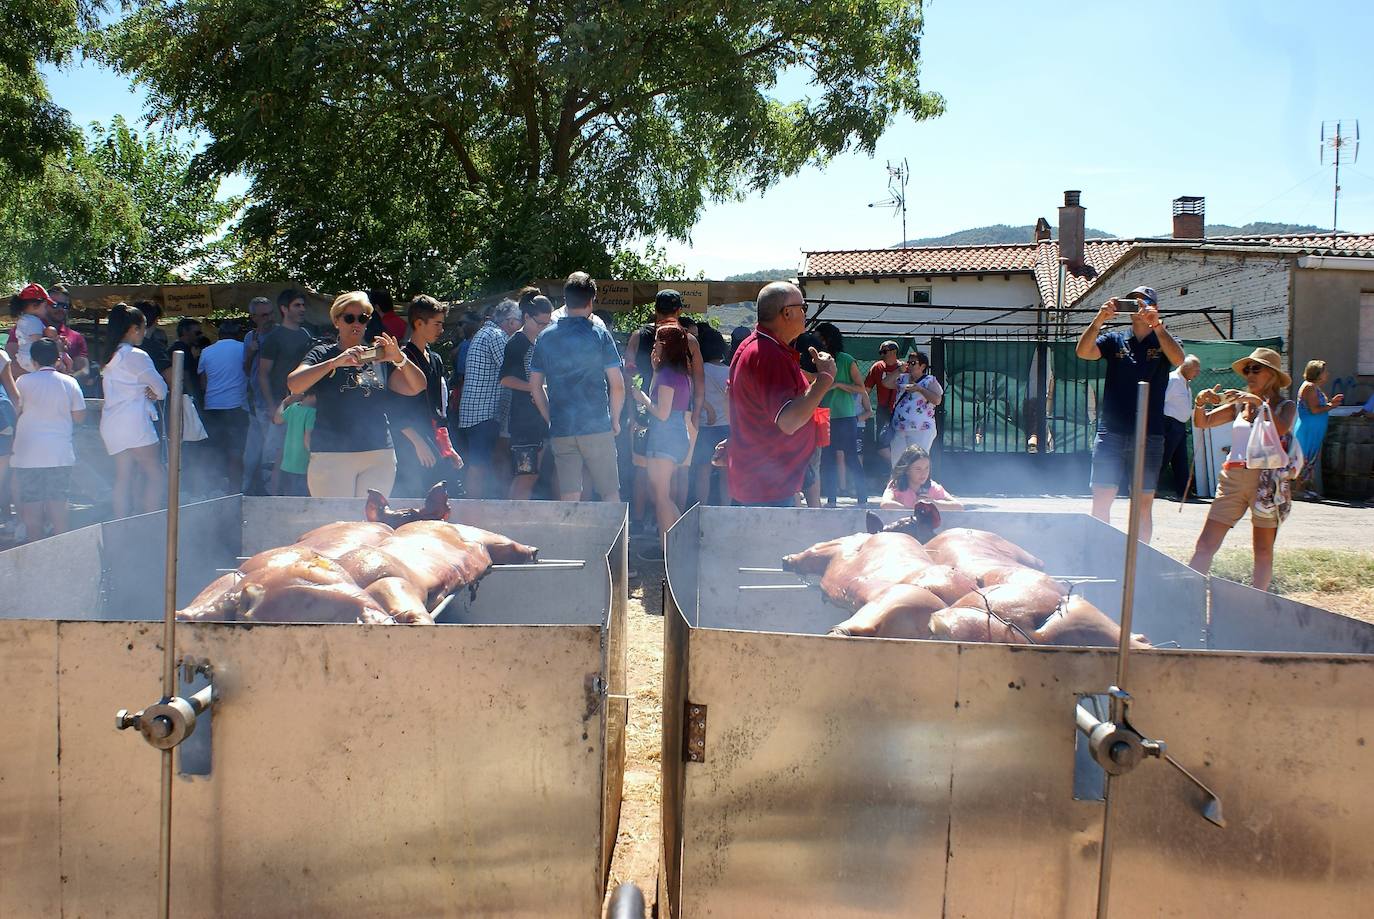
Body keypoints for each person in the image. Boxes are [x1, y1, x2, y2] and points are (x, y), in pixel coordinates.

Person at [286, 291, 426, 497]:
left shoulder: (378, 357)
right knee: (336, 526)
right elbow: (294, 384)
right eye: (349, 318)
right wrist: (335, 362)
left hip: (379, 454)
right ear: (336, 321)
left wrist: (399, 358)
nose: (356, 323)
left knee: (370, 526)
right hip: (331, 454)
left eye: (362, 318)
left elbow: (418, 386)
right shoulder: (322, 353)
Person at [1074, 286, 1184, 544]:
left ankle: (1141, 561)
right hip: (1111, 431)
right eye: (1132, 301)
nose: (1137, 306)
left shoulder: (1164, 338)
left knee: (1142, 504)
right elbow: (1083, 352)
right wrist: (1099, 319)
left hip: (1150, 434)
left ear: (1154, 306)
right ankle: (1099, 555)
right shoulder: (1114, 339)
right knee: (1101, 499)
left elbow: (1179, 360)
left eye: (1143, 302)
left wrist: (1157, 326)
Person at [1187, 348, 1297, 592]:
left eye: (1256, 368)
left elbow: (1279, 430)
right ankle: (1185, 597)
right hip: (1233, 479)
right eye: (1247, 369)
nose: (1249, 374)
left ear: (1273, 375)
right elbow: (1202, 422)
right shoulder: (1240, 405)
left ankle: (1256, 607)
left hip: (1266, 482)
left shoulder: (1285, 405)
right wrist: (1199, 402)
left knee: (1262, 551)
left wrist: (1257, 402)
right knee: (1205, 544)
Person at [727, 281, 834, 506]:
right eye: (803, 308)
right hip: (769, 489)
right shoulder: (768, 354)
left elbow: (752, 410)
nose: (806, 313)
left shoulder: (755, 347)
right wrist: (825, 379)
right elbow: (789, 420)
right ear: (787, 312)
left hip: (764, 482)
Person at [528, 272, 625, 503]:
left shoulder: (545, 337)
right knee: (610, 492)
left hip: (562, 427)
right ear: (591, 301)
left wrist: (550, 417)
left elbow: (535, 386)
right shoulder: (600, 335)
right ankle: (617, 539)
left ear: (565, 300)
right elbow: (618, 385)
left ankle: (570, 539)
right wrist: (615, 420)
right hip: (597, 425)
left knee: (569, 494)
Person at [11, 339, 86, 540]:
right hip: (58, 454)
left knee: (32, 510)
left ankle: (36, 557)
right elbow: (79, 416)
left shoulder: (23, 382)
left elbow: (15, 412)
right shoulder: (70, 382)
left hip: (28, 455)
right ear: (57, 359)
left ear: (33, 361)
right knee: (58, 507)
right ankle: (61, 555)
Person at [100, 303, 168, 519]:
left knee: (123, 477)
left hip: (112, 423)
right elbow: (162, 389)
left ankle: (122, 523)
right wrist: (153, 392)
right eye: (143, 326)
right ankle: (149, 521)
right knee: (156, 474)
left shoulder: (109, 355)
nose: (145, 332)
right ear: (132, 328)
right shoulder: (137, 355)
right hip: (135, 422)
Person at [631, 325, 693, 559]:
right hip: (675, 437)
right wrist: (655, 370)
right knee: (662, 495)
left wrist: (641, 397)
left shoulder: (668, 375)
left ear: (665, 346)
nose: (654, 344)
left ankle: (671, 549)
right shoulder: (678, 373)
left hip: (664, 437)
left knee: (660, 496)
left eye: (657, 341)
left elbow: (662, 412)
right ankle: (675, 543)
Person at [391, 295, 462, 497]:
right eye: (437, 324)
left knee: (441, 494)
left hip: (431, 437)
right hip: (407, 441)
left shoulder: (436, 359)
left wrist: (448, 448)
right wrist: (418, 443)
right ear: (419, 323)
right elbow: (393, 409)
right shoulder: (401, 359)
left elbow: (438, 410)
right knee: (412, 496)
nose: (441, 330)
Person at [455, 300, 520, 498]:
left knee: (484, 462)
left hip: (479, 412)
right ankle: (473, 510)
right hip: (483, 412)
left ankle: (484, 505)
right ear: (509, 322)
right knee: (479, 465)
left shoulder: (486, 332)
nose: (521, 326)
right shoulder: (497, 335)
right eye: (519, 321)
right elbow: (511, 370)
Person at [257, 289, 314, 494]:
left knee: (298, 455)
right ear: (284, 309)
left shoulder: (306, 335)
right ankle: (272, 497)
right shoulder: (274, 338)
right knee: (276, 456)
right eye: (297, 305)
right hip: (282, 406)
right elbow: (262, 374)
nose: (302, 309)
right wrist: (273, 405)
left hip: (304, 406)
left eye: (303, 305)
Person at [501, 294, 554, 499]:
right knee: (526, 476)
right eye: (540, 323)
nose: (544, 327)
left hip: (537, 421)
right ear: (526, 317)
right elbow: (505, 379)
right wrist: (535, 388)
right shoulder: (517, 343)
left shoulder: (541, 341)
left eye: (547, 323)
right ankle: (511, 521)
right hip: (524, 423)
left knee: (533, 475)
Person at [814, 322, 871, 508]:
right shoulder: (816, 361)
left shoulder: (847, 360)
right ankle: (831, 500)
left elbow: (861, 388)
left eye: (819, 336)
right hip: (823, 415)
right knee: (827, 459)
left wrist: (838, 384)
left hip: (846, 417)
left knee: (851, 457)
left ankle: (862, 499)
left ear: (827, 339)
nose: (816, 340)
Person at [196, 320, 249, 495]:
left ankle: (211, 490)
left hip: (212, 407)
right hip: (236, 407)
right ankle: (235, 491)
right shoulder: (244, 349)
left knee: (213, 452)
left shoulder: (206, 351)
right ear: (237, 334)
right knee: (236, 452)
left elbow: (203, 383)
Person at [239, 296, 277, 494]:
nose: (269, 318)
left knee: (272, 450)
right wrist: (252, 352)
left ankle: (268, 491)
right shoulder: (250, 338)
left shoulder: (279, 334)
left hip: (272, 402)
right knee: (254, 450)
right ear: (253, 317)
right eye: (263, 315)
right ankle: (246, 490)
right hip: (256, 403)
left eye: (270, 313)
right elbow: (245, 369)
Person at [690, 324, 730, 506]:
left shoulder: (700, 370)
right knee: (726, 472)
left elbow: (692, 393)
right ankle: (726, 509)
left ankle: (701, 507)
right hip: (726, 427)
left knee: (702, 471)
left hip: (705, 427)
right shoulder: (730, 371)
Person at [1293, 360, 1344, 499]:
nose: (1327, 374)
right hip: (1308, 428)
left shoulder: (1314, 387)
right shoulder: (1309, 387)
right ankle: (1298, 490)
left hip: (1314, 428)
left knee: (1310, 458)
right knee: (1305, 457)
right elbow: (1315, 410)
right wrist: (1331, 405)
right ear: (1318, 373)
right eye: (1324, 371)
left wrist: (1330, 403)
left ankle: (1306, 488)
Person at [888, 351, 942, 462]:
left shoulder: (929, 380)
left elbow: (937, 400)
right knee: (898, 462)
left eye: (913, 363)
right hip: (900, 428)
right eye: (908, 362)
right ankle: (898, 479)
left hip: (921, 429)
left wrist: (920, 389)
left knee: (917, 461)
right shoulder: (903, 378)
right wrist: (898, 370)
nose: (909, 365)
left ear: (922, 366)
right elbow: (886, 383)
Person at [1159, 354, 1201, 500]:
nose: (1198, 373)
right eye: (1196, 369)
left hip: (1180, 425)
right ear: (1186, 367)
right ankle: (1148, 488)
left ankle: (1184, 491)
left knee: (1181, 460)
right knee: (1163, 458)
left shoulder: (1185, 383)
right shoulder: (1173, 380)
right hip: (1169, 424)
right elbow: (1160, 401)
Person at [879, 445, 963, 511]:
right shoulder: (896, 485)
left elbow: (959, 506)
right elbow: (885, 504)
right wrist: (913, 509)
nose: (924, 473)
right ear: (907, 470)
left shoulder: (933, 487)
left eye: (927, 468)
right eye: (918, 469)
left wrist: (933, 503)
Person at [864, 340, 904, 466]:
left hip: (900, 411)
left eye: (885, 352)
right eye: (881, 352)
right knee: (882, 444)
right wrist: (862, 407)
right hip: (883, 410)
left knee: (899, 441)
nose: (882, 355)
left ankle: (899, 468)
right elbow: (866, 389)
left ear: (894, 352)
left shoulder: (905, 368)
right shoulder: (877, 367)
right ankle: (898, 466)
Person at [47, 284, 91, 388]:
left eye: (64, 306)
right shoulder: (31, 330)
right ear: (45, 304)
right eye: (55, 304)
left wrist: (64, 382)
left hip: (66, 394)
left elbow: (84, 370)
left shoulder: (76, 337)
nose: (60, 309)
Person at [273, 393, 316, 496]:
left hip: (287, 464)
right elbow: (307, 438)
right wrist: (313, 457)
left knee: (289, 497)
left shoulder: (293, 407)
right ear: (311, 395)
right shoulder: (311, 412)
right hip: (303, 465)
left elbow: (277, 419)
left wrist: (284, 402)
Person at [9, 283, 53, 374]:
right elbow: (38, 342)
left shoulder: (22, 319)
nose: (47, 310)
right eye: (45, 306)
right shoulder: (34, 321)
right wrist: (54, 341)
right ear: (34, 306)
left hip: (22, 357)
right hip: (33, 359)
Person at [170, 317, 203, 403]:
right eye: (197, 333)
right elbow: (185, 375)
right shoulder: (182, 350)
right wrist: (192, 398)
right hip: (187, 397)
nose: (200, 336)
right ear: (185, 331)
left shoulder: (184, 349)